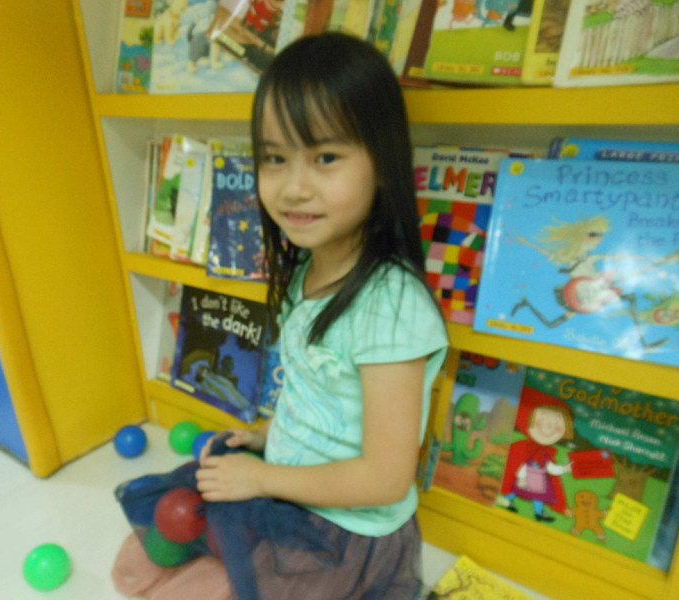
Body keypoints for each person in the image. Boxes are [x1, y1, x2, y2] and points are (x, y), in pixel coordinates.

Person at [112, 31, 448, 600]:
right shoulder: (305, 272)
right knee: (144, 560)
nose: (293, 187)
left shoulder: (391, 308)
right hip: (288, 489)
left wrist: (262, 477)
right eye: (274, 158)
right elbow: (318, 399)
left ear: (384, 164)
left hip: (343, 531)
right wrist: (267, 436)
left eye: (325, 157)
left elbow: (386, 479)